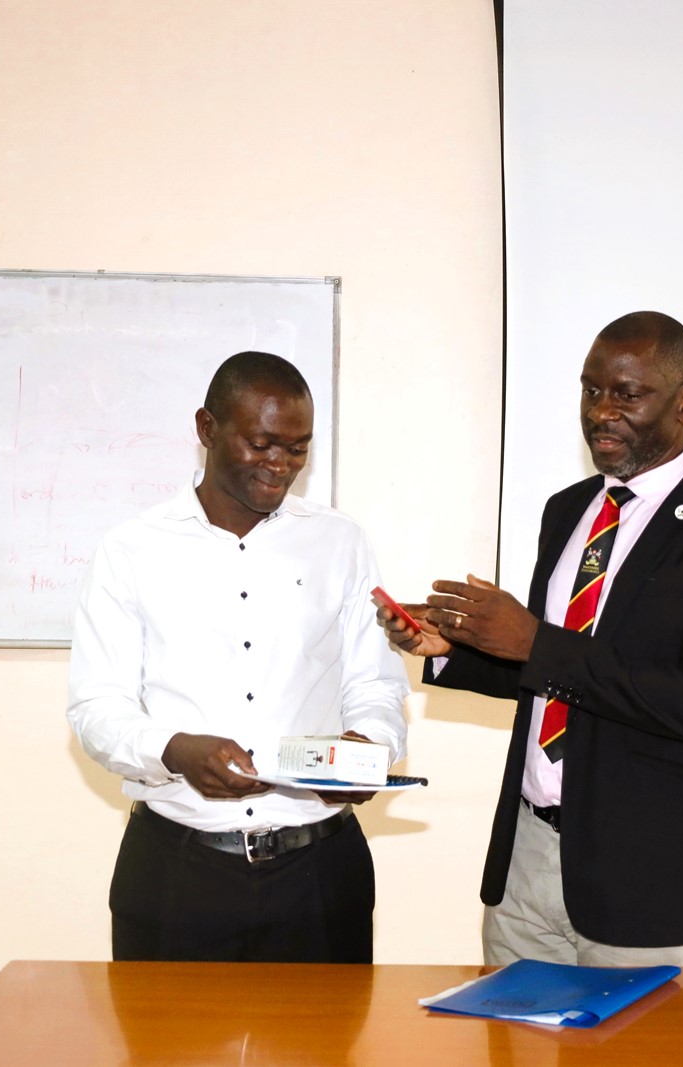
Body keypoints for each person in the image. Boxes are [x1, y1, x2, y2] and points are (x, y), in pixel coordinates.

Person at [377, 311, 683, 967]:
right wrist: (452, 650)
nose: (601, 411)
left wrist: (534, 641)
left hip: (651, 883)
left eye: (627, 393)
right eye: (590, 389)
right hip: (527, 865)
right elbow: (559, 681)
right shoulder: (569, 510)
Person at [68, 350, 408, 964]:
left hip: (321, 874)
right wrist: (174, 749)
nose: (280, 466)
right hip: (177, 871)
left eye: (297, 449)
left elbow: (378, 684)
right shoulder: (130, 550)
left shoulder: (340, 542)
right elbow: (97, 708)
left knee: (328, 1055)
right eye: (261, 443)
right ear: (207, 429)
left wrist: (370, 746)